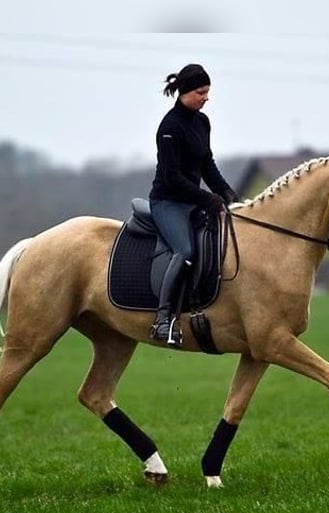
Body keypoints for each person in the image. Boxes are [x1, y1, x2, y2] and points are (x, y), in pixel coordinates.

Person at [148, 63, 238, 347]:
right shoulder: (170, 127)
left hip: (192, 201)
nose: (206, 97)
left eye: (208, 92)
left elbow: (207, 165)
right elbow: (172, 179)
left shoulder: (202, 122)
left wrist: (225, 192)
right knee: (185, 250)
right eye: (201, 92)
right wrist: (207, 198)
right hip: (168, 202)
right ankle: (162, 320)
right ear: (186, 91)